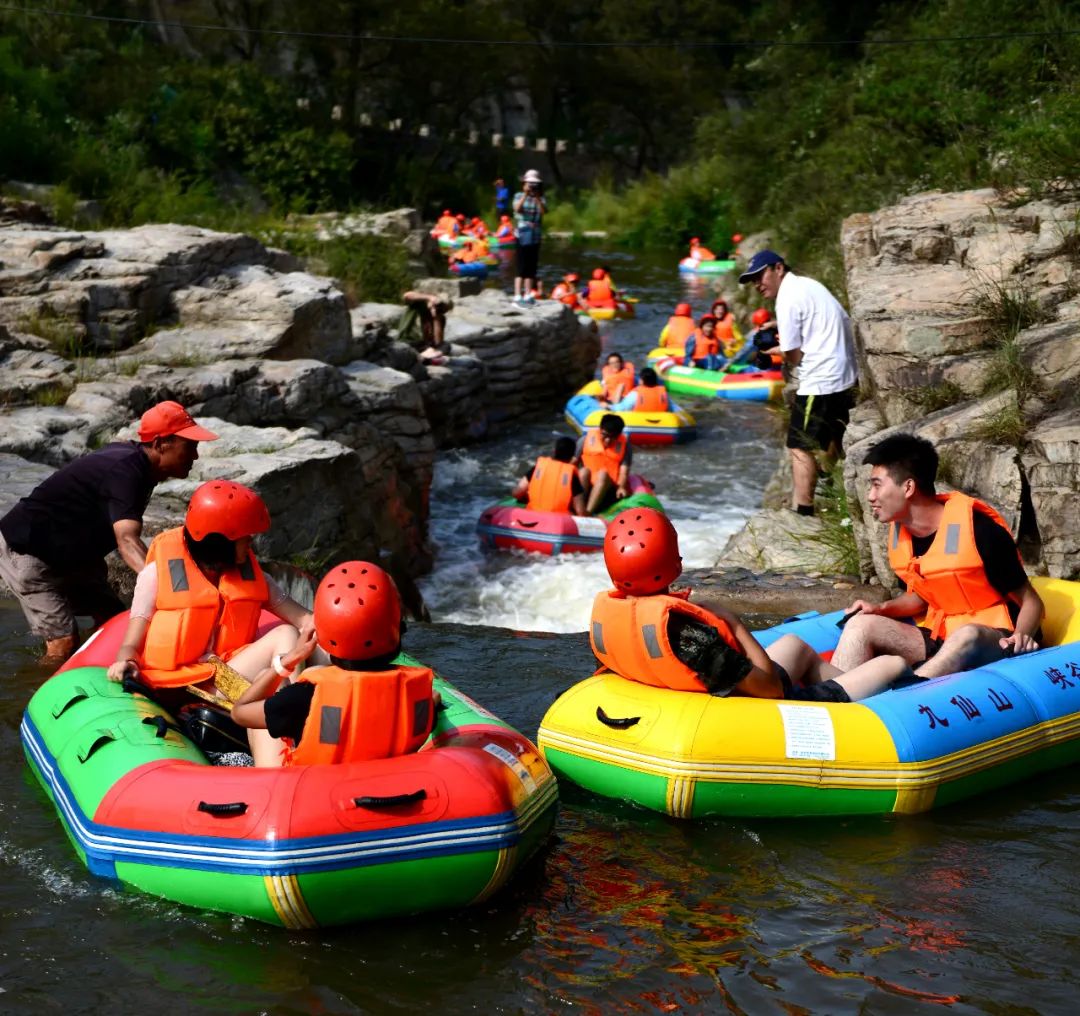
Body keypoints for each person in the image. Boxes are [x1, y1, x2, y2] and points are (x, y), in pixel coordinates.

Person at [591, 507, 910, 702]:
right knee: (892, 665)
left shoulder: (617, 617)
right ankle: (863, 702)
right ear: (673, 562)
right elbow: (770, 688)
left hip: (708, 693)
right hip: (757, 709)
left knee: (795, 646)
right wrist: (733, 622)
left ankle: (839, 686)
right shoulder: (688, 634)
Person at [105, 480, 315, 765]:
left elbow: (306, 619)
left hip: (226, 672)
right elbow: (131, 640)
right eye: (245, 538)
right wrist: (126, 662)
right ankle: (292, 730)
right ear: (221, 542)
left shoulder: (251, 576)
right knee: (281, 652)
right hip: (184, 685)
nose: (251, 544)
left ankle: (295, 721)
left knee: (287, 640)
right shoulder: (157, 575)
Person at [0, 400, 219, 663]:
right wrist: (171, 590)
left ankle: (101, 668)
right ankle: (45, 694)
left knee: (114, 620)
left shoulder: (139, 467)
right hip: (29, 551)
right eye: (190, 446)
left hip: (73, 554)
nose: (195, 456)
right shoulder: (125, 471)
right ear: (161, 444)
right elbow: (127, 541)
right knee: (64, 642)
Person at [831, 434, 1045, 680]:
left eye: (877, 485)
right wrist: (880, 608)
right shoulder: (903, 534)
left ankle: (907, 698)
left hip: (996, 637)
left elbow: (1032, 602)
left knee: (967, 634)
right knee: (861, 624)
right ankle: (837, 700)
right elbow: (923, 597)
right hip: (941, 636)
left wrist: (1021, 636)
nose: (870, 496)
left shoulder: (981, 532)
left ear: (908, 487)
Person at [233, 561, 438, 768]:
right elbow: (432, 703)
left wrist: (287, 661)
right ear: (397, 629)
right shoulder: (418, 694)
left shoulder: (305, 697)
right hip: (387, 785)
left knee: (266, 682)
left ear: (326, 633)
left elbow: (240, 712)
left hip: (308, 789)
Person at [739, 249, 859, 516]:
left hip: (822, 380)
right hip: (844, 375)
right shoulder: (807, 286)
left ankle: (803, 510)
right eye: (753, 281)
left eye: (760, 276)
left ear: (778, 268)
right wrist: (779, 325)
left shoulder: (787, 299)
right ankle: (832, 483)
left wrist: (774, 352)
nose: (758, 284)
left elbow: (794, 356)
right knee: (832, 437)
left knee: (799, 445)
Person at [512, 436, 587, 516]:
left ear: (554, 451)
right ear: (572, 456)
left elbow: (517, 493)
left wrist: (531, 497)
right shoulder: (571, 474)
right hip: (558, 519)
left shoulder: (539, 467)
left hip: (532, 514)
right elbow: (580, 511)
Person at [575, 414, 632, 515]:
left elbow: (624, 470)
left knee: (603, 474)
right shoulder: (584, 440)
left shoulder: (625, 445)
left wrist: (621, 487)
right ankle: (578, 509)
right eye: (604, 435)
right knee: (583, 472)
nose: (608, 440)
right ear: (600, 429)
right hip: (585, 486)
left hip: (608, 489)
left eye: (612, 437)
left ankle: (587, 513)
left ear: (618, 435)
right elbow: (573, 463)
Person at [512, 169, 547, 304]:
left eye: (534, 184)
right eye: (530, 183)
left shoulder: (541, 198)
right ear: (524, 184)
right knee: (521, 265)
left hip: (535, 235)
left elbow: (543, 211)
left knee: (531, 267)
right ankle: (517, 294)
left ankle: (527, 294)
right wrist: (525, 195)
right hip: (521, 234)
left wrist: (537, 197)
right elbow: (517, 209)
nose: (532, 186)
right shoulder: (518, 195)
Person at [399, 290, 453, 363]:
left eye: (442, 310)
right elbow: (407, 295)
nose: (439, 309)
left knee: (446, 346)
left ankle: (423, 358)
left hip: (424, 345)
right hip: (408, 341)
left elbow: (438, 342)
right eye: (439, 306)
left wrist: (436, 319)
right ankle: (425, 358)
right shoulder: (419, 304)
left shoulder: (440, 318)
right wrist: (429, 297)